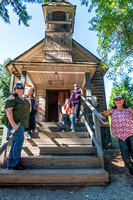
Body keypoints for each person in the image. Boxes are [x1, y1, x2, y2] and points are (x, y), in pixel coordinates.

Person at [99, 94, 133, 175]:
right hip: (121, 136)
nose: (118, 101)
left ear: (123, 100)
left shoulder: (129, 109)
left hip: (131, 133)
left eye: (120, 99)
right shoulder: (112, 111)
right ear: (114, 102)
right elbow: (101, 114)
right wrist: (104, 119)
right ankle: (131, 168)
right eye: (116, 100)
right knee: (126, 158)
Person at [1, 82, 31, 172]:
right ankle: (15, 164)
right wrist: (13, 124)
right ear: (15, 89)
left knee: (16, 141)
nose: (19, 89)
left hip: (21, 124)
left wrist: (29, 102)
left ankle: (11, 164)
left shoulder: (22, 99)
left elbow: (29, 111)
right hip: (14, 124)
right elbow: (8, 111)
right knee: (19, 141)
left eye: (21, 88)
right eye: (18, 88)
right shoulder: (12, 97)